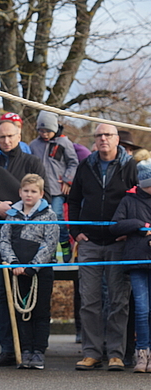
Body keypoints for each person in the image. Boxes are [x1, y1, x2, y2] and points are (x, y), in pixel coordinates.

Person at [0, 120, 49, 367]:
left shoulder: (32, 163)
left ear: (19, 136)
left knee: (27, 291)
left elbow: (41, 195)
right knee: (2, 293)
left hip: (29, 237)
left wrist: (16, 209)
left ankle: (31, 348)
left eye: (10, 136)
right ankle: (8, 347)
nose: (5, 141)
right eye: (1, 137)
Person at [69, 124, 137, 371]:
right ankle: (91, 353)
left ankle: (116, 354)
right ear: (94, 140)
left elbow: (140, 201)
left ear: (117, 139)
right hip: (90, 244)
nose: (103, 139)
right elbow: (74, 200)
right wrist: (76, 232)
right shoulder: (85, 166)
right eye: (99, 135)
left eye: (108, 135)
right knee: (89, 301)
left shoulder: (131, 167)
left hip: (120, 244)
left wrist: (130, 231)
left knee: (119, 301)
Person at [0, 174, 59, 370]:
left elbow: (49, 243)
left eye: (33, 191)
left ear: (41, 194)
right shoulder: (12, 214)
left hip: (40, 271)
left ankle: (39, 351)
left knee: (40, 311)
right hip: (17, 270)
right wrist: (14, 262)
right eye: (26, 191)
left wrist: (34, 266)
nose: (29, 195)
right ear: (20, 192)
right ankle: (24, 349)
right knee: (21, 311)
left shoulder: (49, 215)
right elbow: (4, 240)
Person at [111, 157, 151, 373]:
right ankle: (142, 352)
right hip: (137, 260)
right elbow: (115, 226)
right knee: (142, 310)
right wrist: (140, 225)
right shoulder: (129, 200)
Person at [29, 111, 78, 262]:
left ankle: (64, 243)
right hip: (40, 190)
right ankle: (48, 252)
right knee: (42, 221)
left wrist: (67, 180)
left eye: (48, 131)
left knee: (57, 216)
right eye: (41, 130)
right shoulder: (34, 145)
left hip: (56, 189)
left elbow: (73, 162)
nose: (44, 134)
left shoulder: (64, 143)